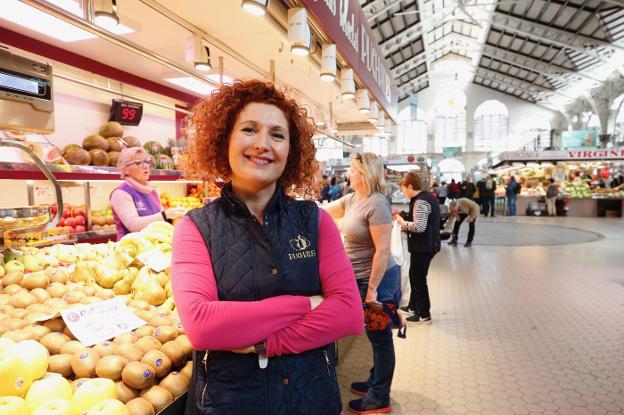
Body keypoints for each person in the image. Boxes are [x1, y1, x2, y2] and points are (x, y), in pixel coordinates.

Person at [170, 80, 363, 415]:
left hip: (312, 398)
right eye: (248, 129)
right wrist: (306, 304)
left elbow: (348, 314)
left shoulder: (315, 222)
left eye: (277, 134)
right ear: (223, 139)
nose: (262, 144)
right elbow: (202, 325)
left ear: (290, 151)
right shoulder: (196, 228)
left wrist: (265, 342)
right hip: (229, 403)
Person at [325, 152, 401, 414]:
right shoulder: (354, 199)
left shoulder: (377, 204)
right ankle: (374, 381)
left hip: (378, 280)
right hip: (357, 277)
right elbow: (323, 211)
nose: (348, 173)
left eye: (353, 169)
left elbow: (382, 251)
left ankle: (380, 398)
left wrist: (372, 289)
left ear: (365, 173)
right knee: (373, 335)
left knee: (380, 339)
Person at [110, 147, 185, 241]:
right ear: (125, 170)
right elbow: (134, 226)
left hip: (154, 248)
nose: (145, 166)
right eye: (138, 162)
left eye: (146, 161)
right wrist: (166, 214)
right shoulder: (121, 193)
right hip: (131, 250)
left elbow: (161, 222)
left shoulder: (153, 192)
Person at [395, 171, 441, 324]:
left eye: (403, 189)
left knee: (419, 279)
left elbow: (420, 227)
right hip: (424, 245)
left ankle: (424, 313)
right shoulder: (423, 198)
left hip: (424, 247)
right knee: (414, 275)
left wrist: (402, 223)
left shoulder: (421, 201)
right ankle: (413, 306)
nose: (403, 192)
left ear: (410, 186)